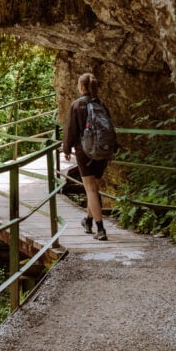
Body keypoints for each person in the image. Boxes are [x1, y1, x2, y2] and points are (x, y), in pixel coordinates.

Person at [62, 72, 111, 241]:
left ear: (81, 87)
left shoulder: (77, 105)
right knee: (94, 189)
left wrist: (66, 148)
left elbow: (71, 130)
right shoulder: (101, 104)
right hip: (103, 151)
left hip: (85, 152)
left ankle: (100, 229)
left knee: (90, 190)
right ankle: (88, 221)